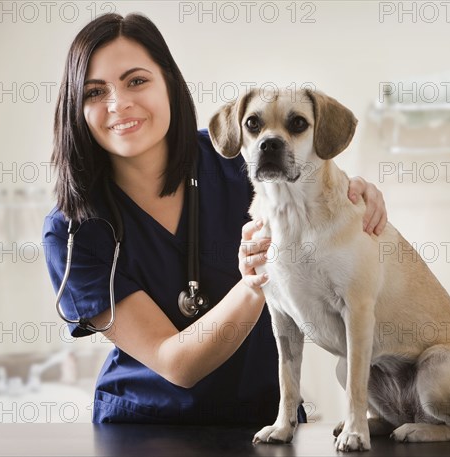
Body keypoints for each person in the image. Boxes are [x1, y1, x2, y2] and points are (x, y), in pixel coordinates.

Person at [43, 12, 388, 425]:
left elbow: (314, 182)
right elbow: (176, 363)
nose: (119, 104)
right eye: (95, 92)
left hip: (266, 420)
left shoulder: (238, 160)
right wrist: (255, 282)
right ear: (76, 108)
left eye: (137, 81)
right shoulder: (74, 231)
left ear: (169, 82)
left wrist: (353, 193)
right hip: (144, 430)